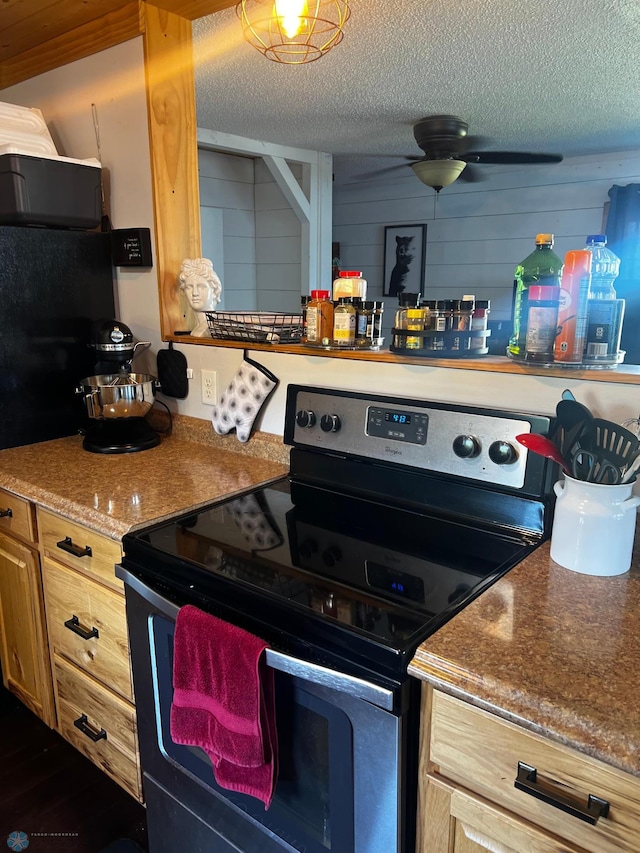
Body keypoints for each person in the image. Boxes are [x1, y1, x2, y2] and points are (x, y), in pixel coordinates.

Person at [178, 257, 222, 337]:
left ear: (214, 291)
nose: (195, 293)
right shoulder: (198, 327)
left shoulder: (212, 328)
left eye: (201, 287)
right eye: (189, 287)